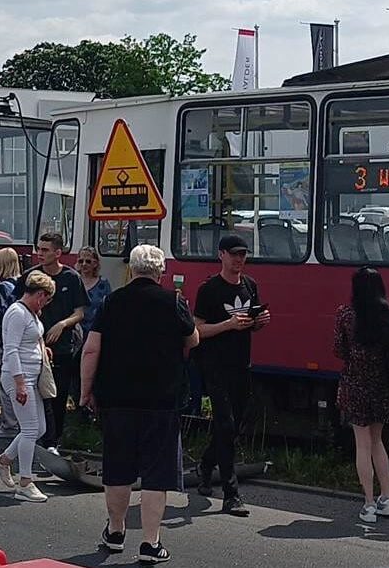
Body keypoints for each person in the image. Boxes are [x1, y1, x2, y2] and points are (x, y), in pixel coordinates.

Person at [80, 245, 198, 563]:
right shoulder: (174, 301)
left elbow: (91, 350)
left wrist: (85, 392)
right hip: (161, 400)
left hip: (116, 398)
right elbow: (193, 339)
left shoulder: (111, 302)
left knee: (118, 469)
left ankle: (116, 532)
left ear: (131, 269)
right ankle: (149, 542)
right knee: (156, 474)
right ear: (160, 271)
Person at [192, 234, 270, 516]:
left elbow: (248, 324)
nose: (239, 260)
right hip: (214, 366)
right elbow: (197, 330)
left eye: (243, 255)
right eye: (234, 254)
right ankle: (231, 494)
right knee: (225, 425)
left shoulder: (251, 285)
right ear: (221, 255)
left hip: (241, 365)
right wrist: (228, 325)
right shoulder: (209, 289)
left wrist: (258, 323)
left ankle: (204, 465)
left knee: (234, 427)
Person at [334, 267, 389, 523]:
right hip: (383, 387)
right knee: (378, 442)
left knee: (362, 445)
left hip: (356, 386)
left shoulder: (346, 315)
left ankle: (368, 504)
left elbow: (339, 351)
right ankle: (387, 499)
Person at [15, 232, 88, 452]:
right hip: (34, 345)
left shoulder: (71, 277)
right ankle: (34, 436)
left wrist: (63, 324)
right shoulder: (29, 277)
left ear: (58, 253)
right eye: (39, 248)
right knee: (34, 394)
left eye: (45, 250)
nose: (39, 254)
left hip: (63, 345)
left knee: (57, 393)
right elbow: (19, 306)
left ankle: (53, 440)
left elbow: (80, 312)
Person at [0, 270, 55, 502]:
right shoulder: (18, 313)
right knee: (29, 429)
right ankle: (25, 482)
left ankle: (4, 460)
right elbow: (12, 349)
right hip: (20, 377)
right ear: (40, 295)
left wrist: (41, 350)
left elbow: (24, 343)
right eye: (46, 299)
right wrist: (19, 384)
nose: (45, 304)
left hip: (28, 376)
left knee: (39, 428)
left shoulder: (28, 313)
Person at [0, 247, 22, 438]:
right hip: (22, 340)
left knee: (7, 385)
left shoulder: (3, 287)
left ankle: (9, 424)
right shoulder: (21, 283)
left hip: (7, 340)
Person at [76, 246, 112, 338]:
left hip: (96, 331)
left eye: (88, 261)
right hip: (76, 332)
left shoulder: (103, 284)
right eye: (81, 261)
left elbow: (109, 308)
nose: (84, 264)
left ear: (95, 264)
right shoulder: (73, 282)